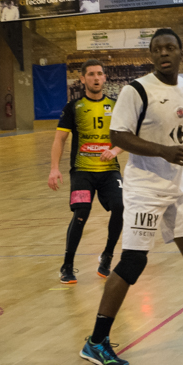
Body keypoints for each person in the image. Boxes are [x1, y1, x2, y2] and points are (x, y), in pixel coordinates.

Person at [79, 28, 183, 365]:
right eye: (157, 49)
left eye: (170, 47)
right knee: (133, 262)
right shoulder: (137, 90)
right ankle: (96, 341)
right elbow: (118, 135)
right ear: (151, 55)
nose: (164, 53)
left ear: (180, 52)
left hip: (180, 184)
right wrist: (163, 151)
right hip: (145, 188)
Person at [49, 60, 124, 283]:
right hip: (82, 171)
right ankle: (67, 265)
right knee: (81, 212)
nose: (96, 78)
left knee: (121, 207)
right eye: (91, 74)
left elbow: (127, 136)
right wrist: (54, 168)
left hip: (109, 171)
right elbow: (60, 139)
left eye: (99, 73)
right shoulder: (73, 107)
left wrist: (115, 150)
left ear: (105, 77)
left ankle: (107, 256)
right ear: (82, 79)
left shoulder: (115, 105)